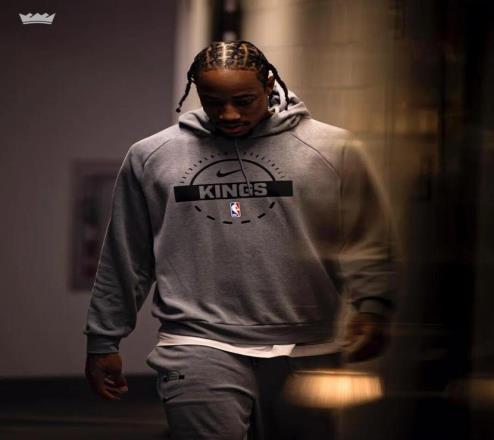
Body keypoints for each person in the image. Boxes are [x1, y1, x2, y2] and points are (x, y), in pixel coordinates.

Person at [84, 40, 397, 439]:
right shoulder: (152, 155)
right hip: (196, 340)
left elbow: (367, 238)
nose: (229, 114)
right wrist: (103, 339)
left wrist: (373, 306)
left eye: (244, 101)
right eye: (213, 102)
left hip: (309, 344)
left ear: (269, 85)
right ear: (196, 92)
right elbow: (125, 255)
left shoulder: (332, 149)